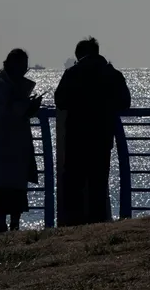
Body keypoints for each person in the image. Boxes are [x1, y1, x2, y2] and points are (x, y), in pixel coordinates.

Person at [54, 37, 131, 225]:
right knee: (98, 182)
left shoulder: (72, 73)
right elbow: (125, 102)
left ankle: (72, 224)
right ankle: (97, 224)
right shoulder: (112, 74)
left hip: (76, 136)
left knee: (74, 182)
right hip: (101, 136)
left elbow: (60, 100)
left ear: (79, 55)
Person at [0, 49, 42, 233]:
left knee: (11, 187)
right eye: (22, 65)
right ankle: (4, 225)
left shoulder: (0, 85)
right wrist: (26, 106)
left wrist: (28, 108)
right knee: (3, 187)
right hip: (2, 146)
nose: (24, 70)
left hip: (12, 145)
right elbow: (2, 114)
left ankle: (13, 224)